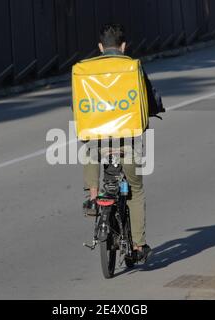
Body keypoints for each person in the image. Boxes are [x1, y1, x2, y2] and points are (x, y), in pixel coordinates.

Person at [79, 24, 164, 262]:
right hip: (127, 142)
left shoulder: (87, 70)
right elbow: (150, 96)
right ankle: (138, 245)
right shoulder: (132, 68)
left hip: (98, 142)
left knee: (90, 149)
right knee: (135, 191)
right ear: (124, 46)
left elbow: (80, 103)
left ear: (99, 47)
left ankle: (94, 197)